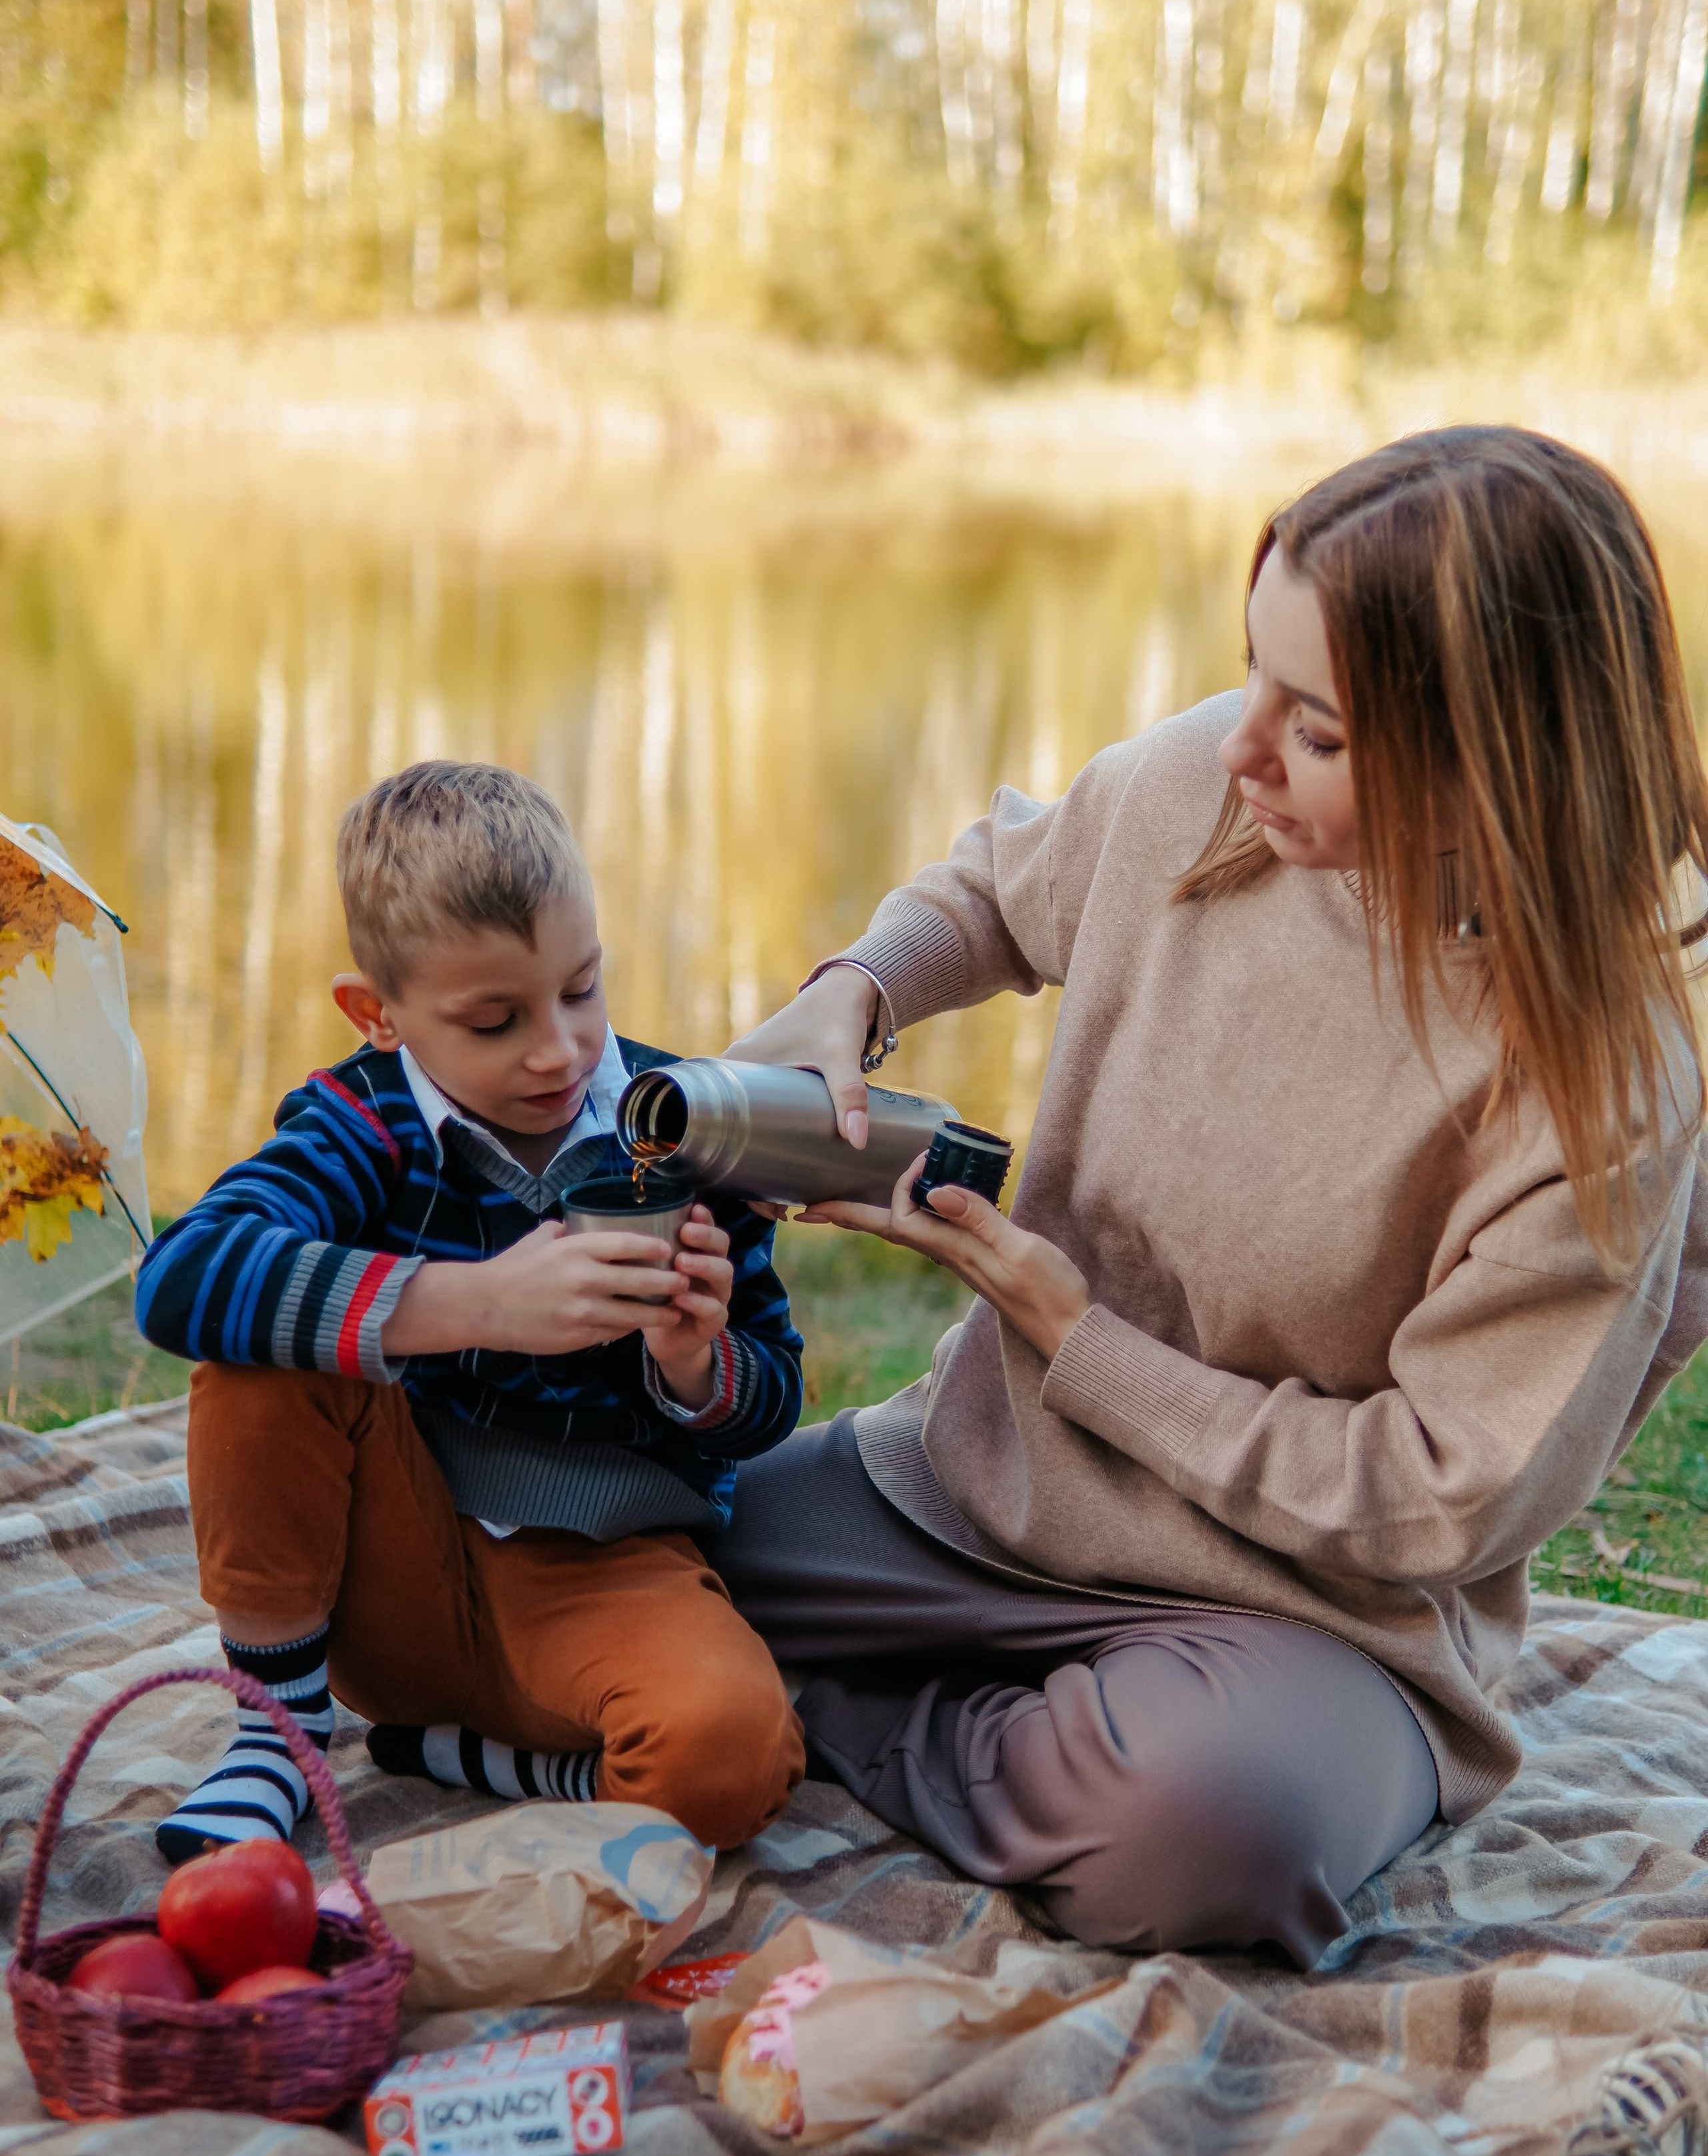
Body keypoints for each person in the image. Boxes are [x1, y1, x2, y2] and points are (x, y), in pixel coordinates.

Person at [705, 426, 1708, 1967]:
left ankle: (952, 1737)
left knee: (1210, 1842)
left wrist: (1075, 1335)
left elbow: (1431, 1494)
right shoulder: (1211, 793)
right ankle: (1006, 1737)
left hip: (1314, 1624)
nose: (1240, 749)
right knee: (629, 1551)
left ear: (1491, 763)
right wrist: (857, 991)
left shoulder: (1600, 1085)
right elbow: (995, 886)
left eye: (1313, 727)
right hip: (973, 1503)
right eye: (1252, 675)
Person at [136, 761, 804, 1864]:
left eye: (582, 990)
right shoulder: (362, 1121)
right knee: (261, 1334)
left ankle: (504, 1764)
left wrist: (696, 1364)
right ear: (379, 1015)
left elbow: (770, 1394)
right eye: (494, 1021)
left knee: (732, 1762)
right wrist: (477, 1302)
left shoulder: (682, 1123)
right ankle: (282, 1734)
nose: (559, 1048)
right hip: (391, 1575)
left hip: (604, 1572)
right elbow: (182, 1278)